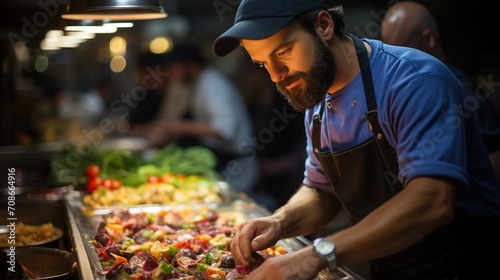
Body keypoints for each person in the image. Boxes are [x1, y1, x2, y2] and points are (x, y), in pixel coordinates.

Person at [212, 0, 500, 279]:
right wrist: (278, 222)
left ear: (324, 25)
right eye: (263, 63)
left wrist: (317, 254)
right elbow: (321, 191)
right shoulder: (316, 98)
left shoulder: (413, 80)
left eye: (284, 52)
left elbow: (432, 201)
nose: (276, 76)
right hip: (391, 267)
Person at [380, 0, 500, 185]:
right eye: (390, 54)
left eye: (404, 51)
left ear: (429, 39)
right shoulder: (412, 93)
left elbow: (494, 162)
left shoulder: (463, 94)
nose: (396, 64)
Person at [131, 42, 260, 197]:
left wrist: (175, 127)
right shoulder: (197, 83)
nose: (172, 73)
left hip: (238, 165)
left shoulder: (213, 85)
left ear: (189, 65)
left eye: (175, 67)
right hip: (222, 159)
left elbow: (224, 129)